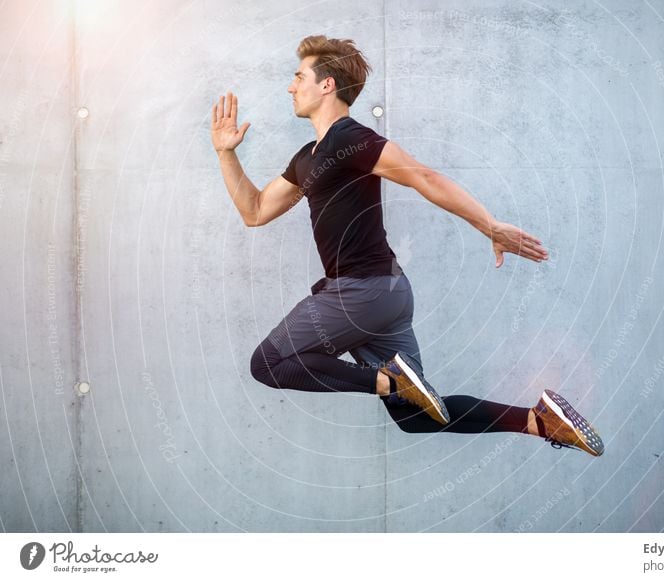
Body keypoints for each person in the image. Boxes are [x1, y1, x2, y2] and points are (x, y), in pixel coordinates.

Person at [210, 35, 604, 456]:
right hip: (386, 297)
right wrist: (225, 154)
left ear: (326, 85)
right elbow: (254, 211)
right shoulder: (309, 156)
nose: (291, 86)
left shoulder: (351, 138)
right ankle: (536, 419)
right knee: (417, 417)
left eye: (298, 76)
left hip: (359, 292)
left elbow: (424, 177)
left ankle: (389, 380)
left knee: (268, 363)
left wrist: (488, 224)